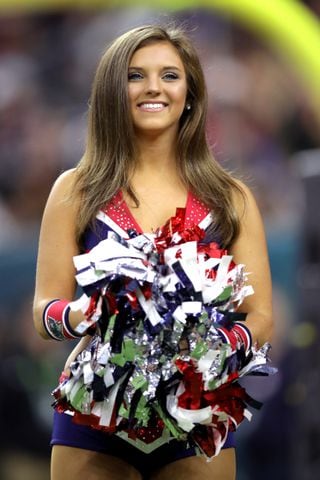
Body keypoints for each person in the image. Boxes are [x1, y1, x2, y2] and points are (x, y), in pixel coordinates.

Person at [33, 24, 273, 480]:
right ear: (111, 92)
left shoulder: (230, 197)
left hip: (198, 416)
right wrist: (86, 315)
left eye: (169, 75)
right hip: (95, 413)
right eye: (134, 76)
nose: (153, 88)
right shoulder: (75, 190)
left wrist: (215, 348)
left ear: (191, 93)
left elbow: (260, 315)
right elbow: (44, 310)